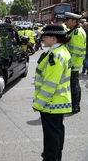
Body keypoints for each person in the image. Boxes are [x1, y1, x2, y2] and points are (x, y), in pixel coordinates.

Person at [32, 24, 72, 161]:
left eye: (45, 36)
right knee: (57, 132)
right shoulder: (62, 50)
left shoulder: (55, 56)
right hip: (59, 100)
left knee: (51, 136)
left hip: (51, 103)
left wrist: (38, 104)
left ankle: (51, 158)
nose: (42, 38)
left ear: (53, 38)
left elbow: (50, 85)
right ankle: (55, 156)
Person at [64, 12, 87, 113]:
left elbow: (75, 51)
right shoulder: (75, 31)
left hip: (74, 63)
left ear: (74, 21)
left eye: (67, 21)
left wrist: (70, 64)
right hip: (75, 63)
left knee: (74, 85)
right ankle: (75, 105)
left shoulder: (77, 33)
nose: (66, 22)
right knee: (75, 84)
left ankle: (75, 106)